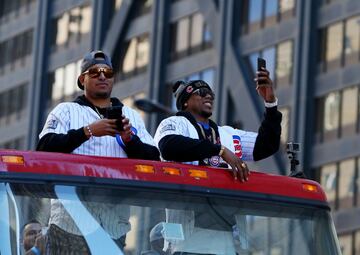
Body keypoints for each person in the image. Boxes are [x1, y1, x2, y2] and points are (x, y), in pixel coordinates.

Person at [36, 50, 160, 253]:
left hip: (114, 225)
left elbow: (154, 158)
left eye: (108, 72)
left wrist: (130, 140)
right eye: (94, 72)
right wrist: (89, 131)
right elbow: (44, 147)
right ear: (81, 79)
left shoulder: (131, 116)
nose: (102, 76)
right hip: (70, 223)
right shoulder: (65, 110)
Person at [154, 68, 282, 182]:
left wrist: (270, 103)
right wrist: (220, 150)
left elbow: (267, 145)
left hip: (217, 204)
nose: (208, 96)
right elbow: (168, 147)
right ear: (186, 102)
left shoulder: (228, 134)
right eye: (202, 92)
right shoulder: (174, 122)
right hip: (184, 201)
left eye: (211, 94)